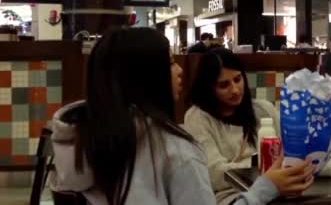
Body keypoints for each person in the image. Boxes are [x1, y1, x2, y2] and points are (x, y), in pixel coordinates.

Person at [49, 28, 289, 205]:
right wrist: (264, 189)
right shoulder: (174, 151)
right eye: (171, 63)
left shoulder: (76, 141)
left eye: (238, 80)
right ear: (146, 78)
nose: (180, 70)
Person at [184, 48, 314, 205]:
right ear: (209, 88)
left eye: (238, 79)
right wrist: (264, 170)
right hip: (231, 197)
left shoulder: (263, 109)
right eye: (224, 85)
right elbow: (213, 173)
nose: (235, 90)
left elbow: (290, 150)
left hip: (282, 190)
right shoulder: (198, 117)